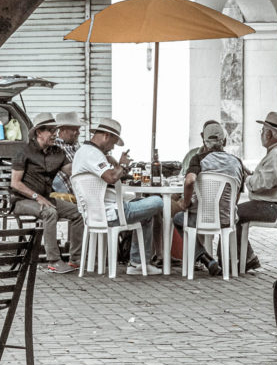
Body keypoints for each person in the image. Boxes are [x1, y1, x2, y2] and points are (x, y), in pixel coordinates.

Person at [71, 117, 163, 275]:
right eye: (113, 142)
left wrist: (114, 163)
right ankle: (137, 263)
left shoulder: (85, 152)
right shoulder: (92, 154)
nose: (112, 147)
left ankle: (138, 263)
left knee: (146, 212)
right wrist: (123, 165)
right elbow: (111, 177)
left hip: (96, 213)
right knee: (157, 202)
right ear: (106, 136)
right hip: (112, 213)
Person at [10, 113, 83, 274]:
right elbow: (15, 183)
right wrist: (37, 197)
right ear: (38, 133)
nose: (54, 134)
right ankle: (54, 261)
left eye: (55, 130)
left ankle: (76, 260)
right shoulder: (24, 152)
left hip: (47, 198)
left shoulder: (57, 152)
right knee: (50, 212)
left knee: (79, 213)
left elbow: (72, 171)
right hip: (22, 200)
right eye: (50, 130)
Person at [173, 120, 246, 276]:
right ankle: (227, 269)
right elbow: (237, 195)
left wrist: (185, 202)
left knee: (178, 218)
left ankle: (206, 258)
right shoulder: (237, 162)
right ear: (224, 141)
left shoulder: (198, 159)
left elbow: (190, 180)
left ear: (204, 141)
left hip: (200, 218)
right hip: (226, 219)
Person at [238, 111, 277, 272]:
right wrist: (253, 175)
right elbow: (271, 179)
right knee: (233, 213)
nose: (261, 135)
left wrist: (248, 179)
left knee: (230, 213)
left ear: (270, 134)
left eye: (263, 131)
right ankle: (244, 257)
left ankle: (237, 259)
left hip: (272, 207)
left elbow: (264, 183)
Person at [50, 111, 83, 196]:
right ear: (62, 130)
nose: (78, 133)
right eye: (74, 130)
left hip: (82, 190)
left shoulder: (76, 145)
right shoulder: (54, 146)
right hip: (67, 196)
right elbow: (73, 170)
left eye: (78, 129)